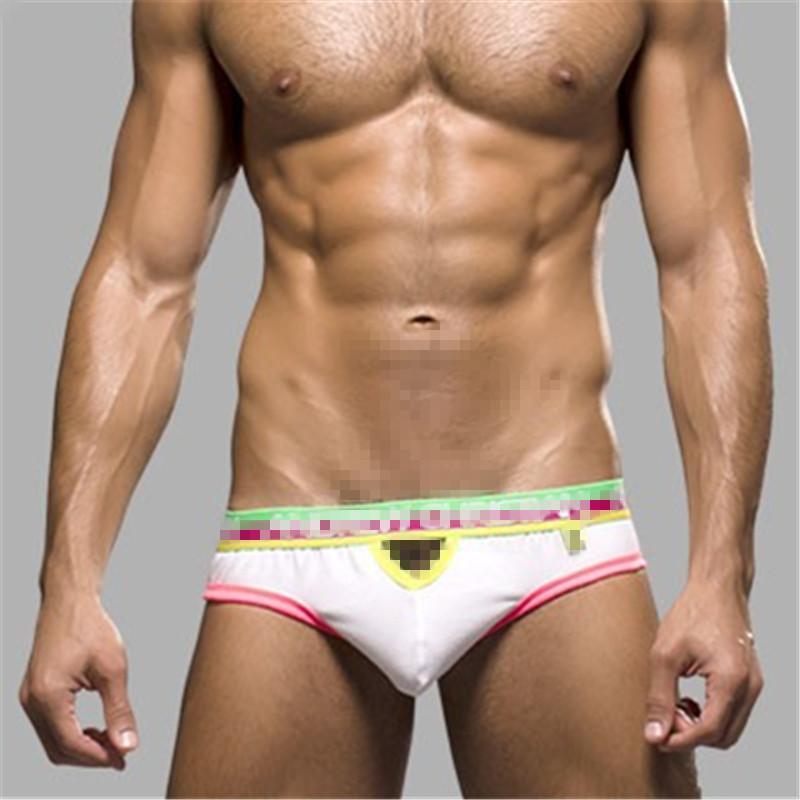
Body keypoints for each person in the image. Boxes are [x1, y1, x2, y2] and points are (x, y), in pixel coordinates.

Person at [19, 0, 771, 796]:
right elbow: (144, 275)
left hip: (551, 519)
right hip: (295, 526)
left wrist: (722, 575)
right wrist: (68, 584)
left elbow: (705, 262)